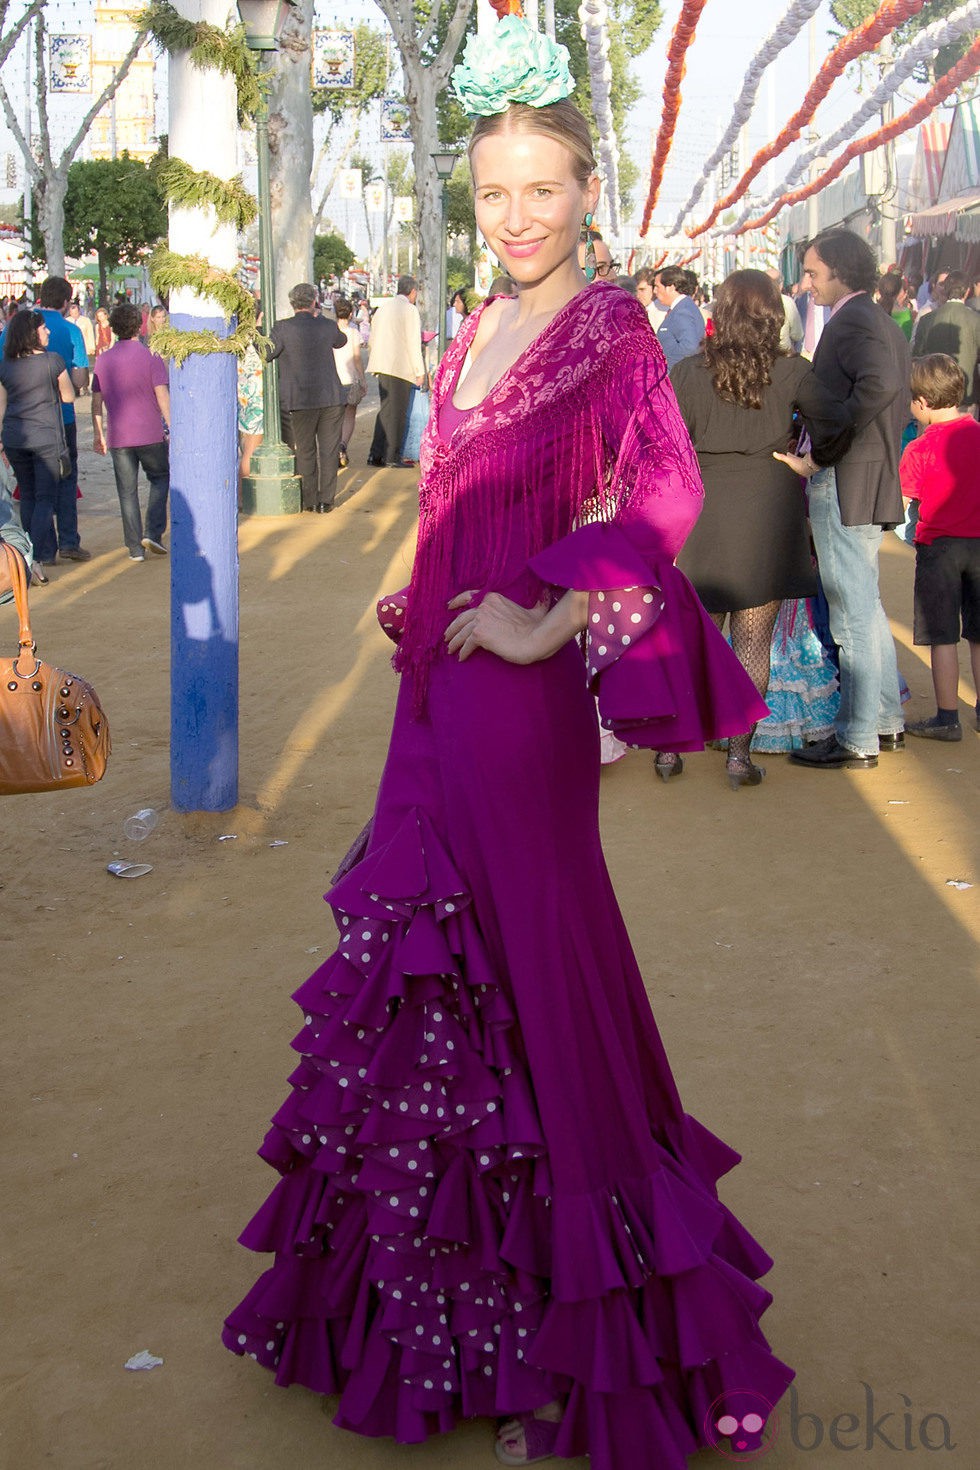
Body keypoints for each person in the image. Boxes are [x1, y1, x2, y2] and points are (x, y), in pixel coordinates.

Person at [222, 18, 793, 1470]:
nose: (519, 215)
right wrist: (425, 576)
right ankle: (451, 1320)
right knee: (441, 967)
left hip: (519, 707)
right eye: (495, 193)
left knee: (546, 965)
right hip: (435, 695)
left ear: (586, 192)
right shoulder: (474, 330)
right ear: (473, 200)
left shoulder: (608, 328)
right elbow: (463, 499)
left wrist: (550, 621)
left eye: (543, 188)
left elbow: (656, 499)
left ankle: (605, 1329)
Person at [656, 269, 851, 789]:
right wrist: (812, 460)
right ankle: (739, 757)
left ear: (720, 311)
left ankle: (671, 750)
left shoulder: (688, 371)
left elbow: (663, 438)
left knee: (693, 638)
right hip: (768, 511)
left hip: (704, 512)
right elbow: (839, 421)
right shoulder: (792, 372)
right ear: (770, 317)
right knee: (752, 642)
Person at [780, 228, 909, 770]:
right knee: (865, 606)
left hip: (847, 477)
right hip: (863, 474)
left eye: (813, 273)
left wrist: (824, 450)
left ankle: (859, 735)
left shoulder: (854, 320)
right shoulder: (870, 318)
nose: (807, 284)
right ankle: (881, 721)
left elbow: (875, 388)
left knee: (852, 613)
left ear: (838, 269)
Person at [899, 353, 980, 739]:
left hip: (938, 547)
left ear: (923, 402)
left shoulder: (919, 448)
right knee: (979, 633)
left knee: (942, 635)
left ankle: (948, 717)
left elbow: (903, 501)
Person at [90, 303, 170, 561]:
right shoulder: (151, 357)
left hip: (119, 435)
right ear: (140, 326)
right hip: (149, 432)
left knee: (127, 491)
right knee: (160, 478)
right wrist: (174, 426)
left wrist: (97, 433)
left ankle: (134, 547)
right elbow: (162, 396)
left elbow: (96, 401)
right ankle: (153, 532)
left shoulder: (103, 360)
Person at [0, 310, 74, 577]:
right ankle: (35, 557)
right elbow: (68, 396)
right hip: (45, 438)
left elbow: (1, 405)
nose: (48, 332)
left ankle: (26, 554)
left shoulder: (5, 364)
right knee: (45, 498)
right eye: (44, 328)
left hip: (14, 437)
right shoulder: (52, 361)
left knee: (28, 495)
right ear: (33, 333)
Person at [268, 282, 347, 513]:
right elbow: (341, 341)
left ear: (292, 303)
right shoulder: (327, 325)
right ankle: (326, 500)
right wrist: (321, 316)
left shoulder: (282, 328)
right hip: (330, 396)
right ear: (314, 301)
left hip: (300, 399)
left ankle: (310, 500)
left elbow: (267, 352)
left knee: (305, 450)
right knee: (329, 450)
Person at [366, 275, 425, 468]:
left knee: (385, 411)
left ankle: (376, 454)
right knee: (397, 414)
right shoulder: (410, 310)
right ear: (413, 291)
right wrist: (419, 370)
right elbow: (413, 342)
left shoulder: (383, 308)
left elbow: (372, 338)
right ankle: (392, 455)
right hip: (400, 366)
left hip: (382, 365)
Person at [907, 270, 980, 411]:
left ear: (945, 290)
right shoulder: (975, 320)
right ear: (967, 291)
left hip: (933, 393)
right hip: (966, 393)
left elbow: (917, 355)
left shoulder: (927, 320)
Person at [332, 296, 367, 470]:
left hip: (332, 380)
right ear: (351, 313)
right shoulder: (354, 333)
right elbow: (357, 358)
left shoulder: (330, 331)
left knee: (334, 417)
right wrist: (362, 379)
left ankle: (334, 448)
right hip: (350, 379)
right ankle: (343, 445)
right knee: (349, 415)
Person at [653, 265, 705, 370]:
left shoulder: (682, 311)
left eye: (657, 286)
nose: (654, 291)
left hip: (676, 378)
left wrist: (665, 364)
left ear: (671, 287)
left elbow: (690, 347)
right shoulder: (683, 307)